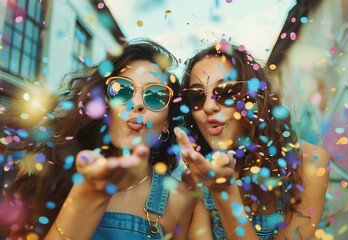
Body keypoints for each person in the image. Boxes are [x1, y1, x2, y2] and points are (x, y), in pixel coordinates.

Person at [1, 39, 194, 240]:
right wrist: (85, 197)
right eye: (122, 90)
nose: (136, 104)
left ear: (165, 123)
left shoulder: (178, 199)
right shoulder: (46, 173)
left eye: (156, 96)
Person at [175, 42, 330, 239]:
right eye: (196, 96)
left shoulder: (309, 161)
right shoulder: (197, 176)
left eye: (226, 91)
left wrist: (225, 192)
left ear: (253, 97)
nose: (208, 106)